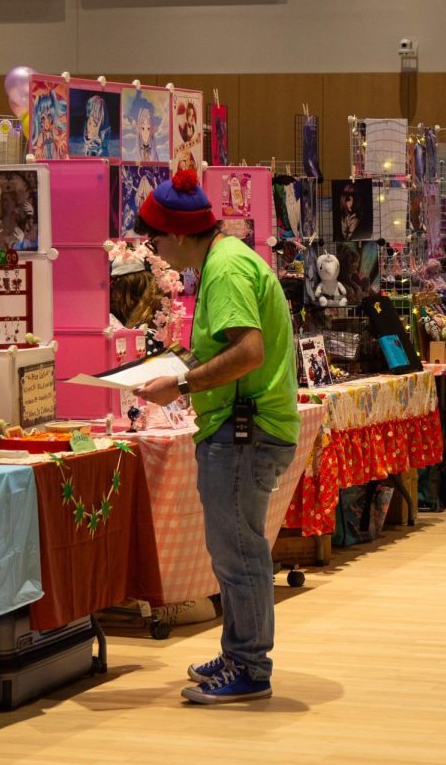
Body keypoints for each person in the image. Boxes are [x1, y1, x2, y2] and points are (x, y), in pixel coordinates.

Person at [133, 170, 299, 704]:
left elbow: (248, 352)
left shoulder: (224, 268)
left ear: (179, 234)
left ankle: (249, 665)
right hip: (243, 424)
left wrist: (181, 383)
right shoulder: (228, 259)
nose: (154, 250)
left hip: (244, 428)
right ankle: (237, 652)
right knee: (232, 549)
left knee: (238, 551)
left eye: (155, 238)